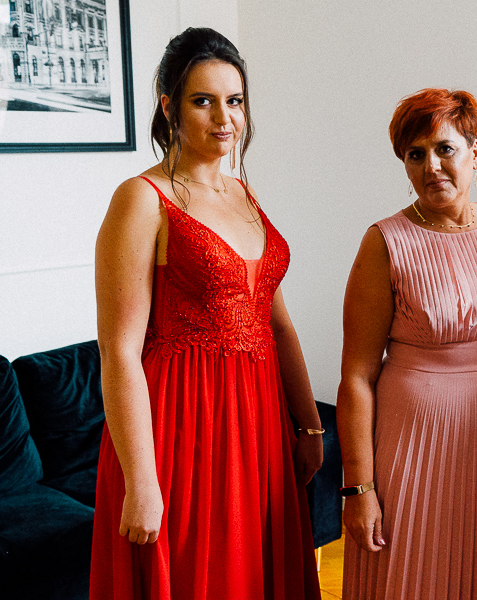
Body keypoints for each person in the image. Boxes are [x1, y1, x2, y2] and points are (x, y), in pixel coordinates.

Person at [90, 28, 322, 600]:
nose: (224, 118)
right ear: (169, 107)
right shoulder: (142, 199)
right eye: (203, 101)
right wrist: (142, 480)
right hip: (181, 428)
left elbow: (276, 322)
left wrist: (309, 424)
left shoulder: (245, 194)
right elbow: (118, 350)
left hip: (259, 425)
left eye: (234, 100)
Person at [337, 88, 477, 600]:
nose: (431, 166)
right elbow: (357, 377)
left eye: (444, 149)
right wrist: (359, 489)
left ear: (475, 153)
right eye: (416, 154)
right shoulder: (384, 242)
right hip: (412, 442)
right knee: (409, 577)